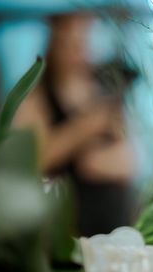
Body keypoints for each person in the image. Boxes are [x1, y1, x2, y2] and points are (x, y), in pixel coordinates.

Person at [14, 12, 137, 236]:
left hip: (113, 223)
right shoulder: (37, 99)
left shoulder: (107, 94)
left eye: (84, 37)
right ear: (55, 41)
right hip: (64, 231)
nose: (78, 46)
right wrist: (83, 129)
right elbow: (30, 160)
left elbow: (129, 162)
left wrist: (97, 161)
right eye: (70, 38)